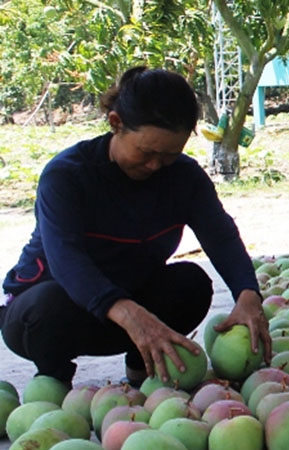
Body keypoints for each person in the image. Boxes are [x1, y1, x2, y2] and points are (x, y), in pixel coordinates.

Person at [0, 66, 271, 388]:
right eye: (147, 152)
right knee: (46, 308)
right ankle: (53, 381)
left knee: (191, 283)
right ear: (116, 124)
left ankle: (142, 368)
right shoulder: (67, 175)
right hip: (51, 315)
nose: (156, 165)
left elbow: (221, 237)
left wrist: (248, 294)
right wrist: (133, 317)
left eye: (170, 155)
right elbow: (67, 261)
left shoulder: (184, 177)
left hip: (127, 311)